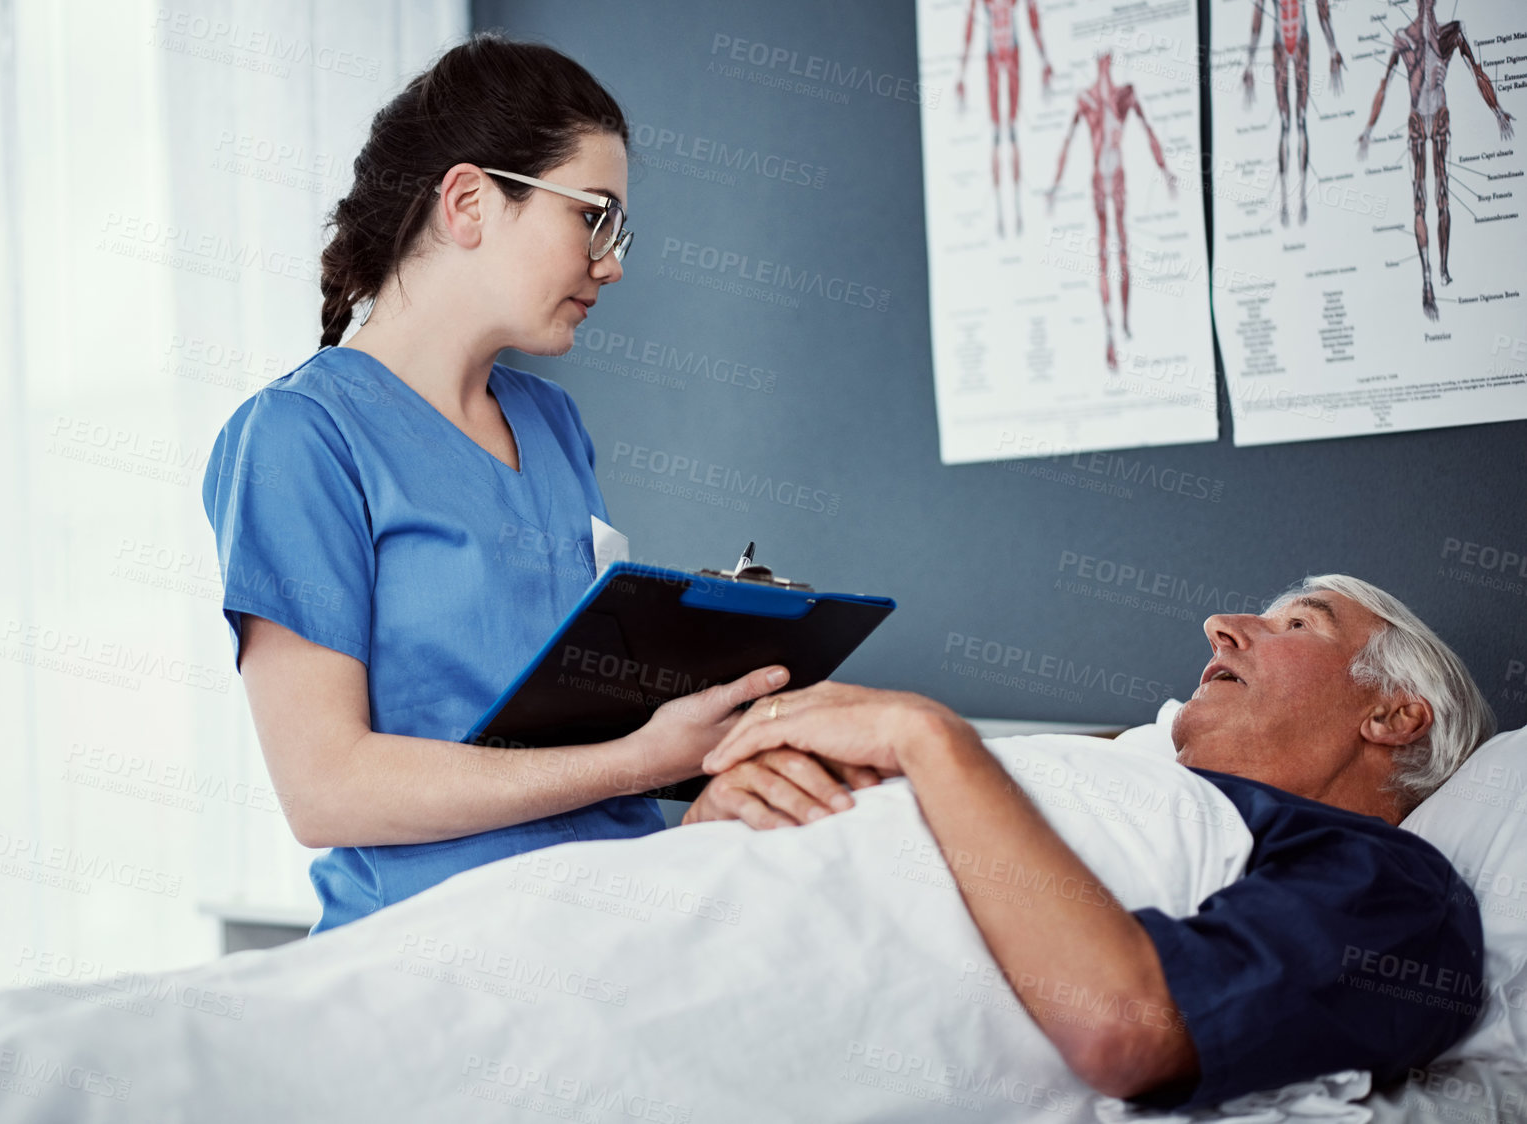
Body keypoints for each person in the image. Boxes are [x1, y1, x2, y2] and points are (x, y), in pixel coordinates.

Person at [202, 34, 788, 934]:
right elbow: (326, 790)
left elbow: (563, 704)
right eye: (593, 217)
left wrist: (700, 703)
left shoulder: (552, 426)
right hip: (439, 955)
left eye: (618, 230)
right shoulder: (301, 440)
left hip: (626, 920)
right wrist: (637, 760)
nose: (613, 263)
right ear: (470, 202)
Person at [689, 573, 1494, 1108]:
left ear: (1393, 715)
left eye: (1296, 623)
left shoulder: (1397, 887)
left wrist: (929, 738)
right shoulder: (1101, 776)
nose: (1221, 626)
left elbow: (1129, 1033)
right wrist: (715, 817)